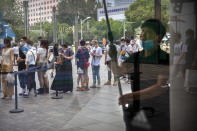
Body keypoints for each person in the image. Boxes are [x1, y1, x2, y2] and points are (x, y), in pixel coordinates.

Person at [109, 19, 169, 131]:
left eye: (147, 33)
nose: (142, 36)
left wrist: (129, 97)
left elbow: (159, 88)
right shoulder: (135, 57)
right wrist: (112, 58)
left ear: (159, 37)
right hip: (137, 110)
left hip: (158, 113)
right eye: (142, 32)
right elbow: (118, 72)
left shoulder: (164, 58)